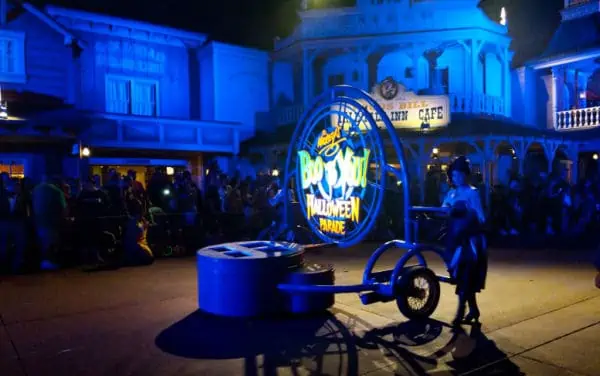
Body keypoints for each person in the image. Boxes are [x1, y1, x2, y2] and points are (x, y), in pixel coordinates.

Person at [441, 156, 487, 327]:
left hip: (469, 241)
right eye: (454, 174)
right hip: (454, 238)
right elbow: (443, 209)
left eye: (459, 174)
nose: (456, 177)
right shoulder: (451, 193)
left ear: (465, 175)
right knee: (461, 276)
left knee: (465, 275)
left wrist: (465, 213)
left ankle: (460, 312)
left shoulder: (472, 192)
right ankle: (473, 309)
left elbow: (481, 217)